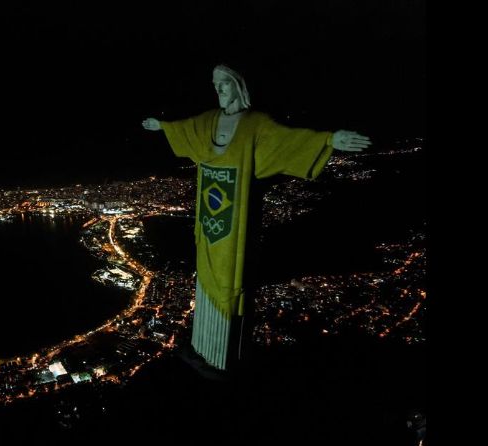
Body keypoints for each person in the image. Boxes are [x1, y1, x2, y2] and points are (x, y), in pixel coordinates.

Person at [142, 64, 371, 372]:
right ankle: (202, 349)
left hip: (235, 222)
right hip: (209, 222)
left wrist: (329, 140)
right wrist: (161, 126)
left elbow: (287, 139)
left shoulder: (255, 124)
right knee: (205, 274)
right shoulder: (209, 120)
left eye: (224, 83)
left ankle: (222, 360)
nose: (218, 89)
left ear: (238, 86)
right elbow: (184, 128)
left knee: (231, 279)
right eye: (215, 84)